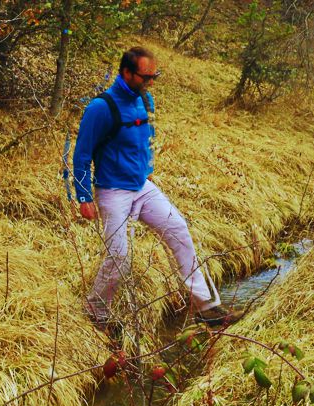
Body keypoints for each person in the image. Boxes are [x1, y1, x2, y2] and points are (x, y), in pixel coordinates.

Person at [73, 46, 240, 333]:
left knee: (178, 230)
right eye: (145, 76)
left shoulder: (144, 100)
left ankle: (206, 307)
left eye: (155, 76)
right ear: (126, 73)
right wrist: (84, 197)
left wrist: (146, 169)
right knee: (119, 256)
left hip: (142, 187)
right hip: (113, 192)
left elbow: (145, 138)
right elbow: (81, 154)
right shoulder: (101, 108)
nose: (150, 82)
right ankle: (97, 310)